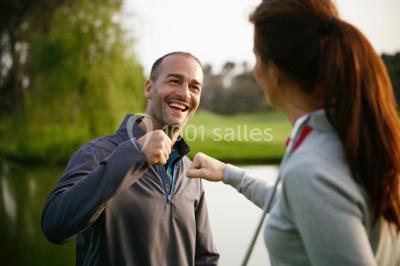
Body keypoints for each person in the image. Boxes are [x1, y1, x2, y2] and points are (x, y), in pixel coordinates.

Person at [187, 0, 400, 265]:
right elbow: (303, 212)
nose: (254, 70)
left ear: (275, 70)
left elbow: (311, 194)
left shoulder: (311, 169)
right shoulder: (340, 137)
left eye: (256, 57)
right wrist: (230, 174)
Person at [41, 52, 219, 266]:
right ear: (149, 88)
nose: (184, 93)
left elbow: (205, 258)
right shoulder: (96, 153)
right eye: (174, 81)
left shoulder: (190, 172)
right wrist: (134, 155)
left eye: (194, 87)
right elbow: (54, 226)